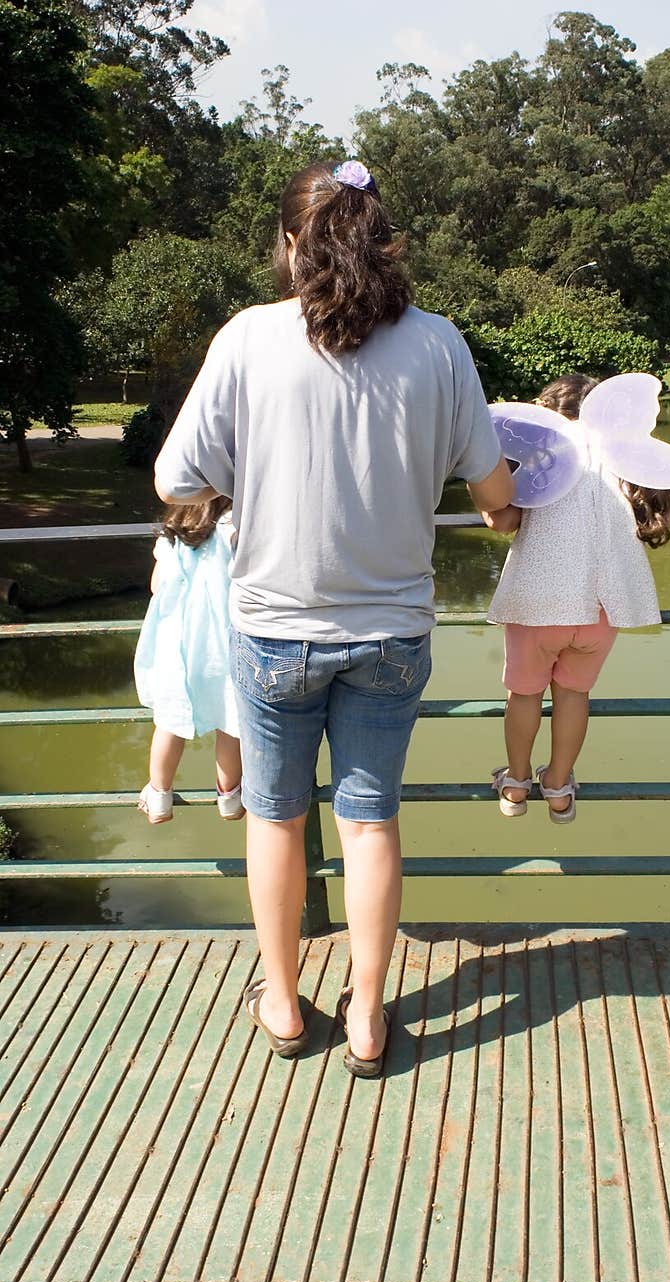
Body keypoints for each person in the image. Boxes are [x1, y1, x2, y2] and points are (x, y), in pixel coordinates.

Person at [152, 159, 512, 1074]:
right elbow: (494, 485)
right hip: (392, 632)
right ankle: (366, 1013)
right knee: (370, 821)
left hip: (274, 627)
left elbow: (173, 479)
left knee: (275, 818)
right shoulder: (437, 344)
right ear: (382, 242)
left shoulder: (246, 339)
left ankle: (280, 1002)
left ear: (288, 244)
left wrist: (256, 480)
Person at [483, 372, 670, 823]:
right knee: (574, 695)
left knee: (524, 694)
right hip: (601, 608)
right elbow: (665, 508)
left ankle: (515, 786)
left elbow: (502, 521)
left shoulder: (545, 455)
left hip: (539, 603)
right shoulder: (623, 457)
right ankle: (557, 787)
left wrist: (487, 500)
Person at [134, 496, 244, 825]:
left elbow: (156, 585)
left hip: (174, 643)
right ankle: (229, 798)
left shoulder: (173, 532)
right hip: (220, 643)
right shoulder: (233, 525)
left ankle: (159, 795)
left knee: (169, 721)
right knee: (229, 722)